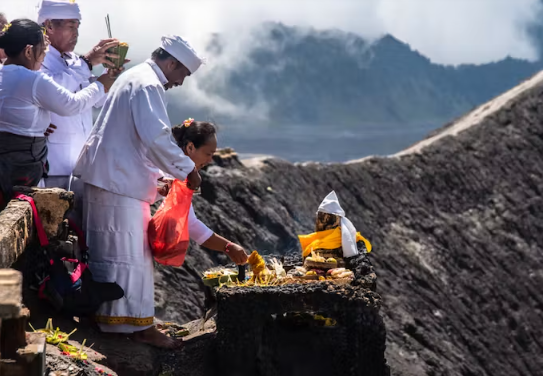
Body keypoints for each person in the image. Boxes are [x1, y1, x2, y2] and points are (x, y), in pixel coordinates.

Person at [74, 35, 248, 349]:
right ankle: (138, 327)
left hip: (113, 177)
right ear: (171, 63)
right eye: (183, 74)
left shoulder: (134, 77)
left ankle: (110, 320)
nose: (181, 82)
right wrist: (187, 171)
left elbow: (136, 143)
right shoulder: (148, 84)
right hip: (118, 182)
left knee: (110, 254)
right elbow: (155, 138)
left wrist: (159, 180)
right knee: (128, 258)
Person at [0, 19, 117, 187]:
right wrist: (102, 83)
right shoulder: (32, 79)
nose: (43, 57)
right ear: (28, 52)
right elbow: (72, 105)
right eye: (42, 51)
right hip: (23, 169)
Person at [37, 0, 124, 224]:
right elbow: (59, 93)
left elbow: (95, 101)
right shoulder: (39, 61)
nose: (76, 33)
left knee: (79, 232)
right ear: (48, 26)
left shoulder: (74, 61)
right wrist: (87, 63)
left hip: (80, 162)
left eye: (78, 26)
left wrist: (109, 76)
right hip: (54, 163)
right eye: (70, 26)